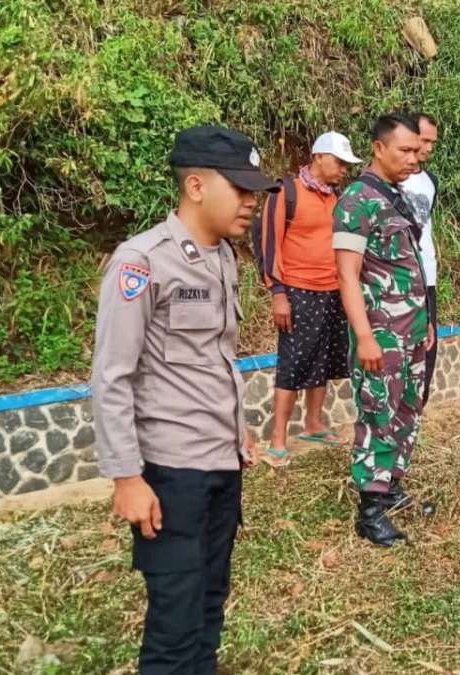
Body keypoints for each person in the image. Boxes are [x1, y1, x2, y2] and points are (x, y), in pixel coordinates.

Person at [91, 125, 279, 674]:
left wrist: (237, 427)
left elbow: (211, 360)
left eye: (255, 192)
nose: (252, 203)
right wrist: (127, 478)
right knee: (173, 625)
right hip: (172, 475)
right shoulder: (141, 262)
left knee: (208, 604)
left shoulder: (222, 257)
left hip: (221, 465)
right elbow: (113, 376)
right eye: (240, 190)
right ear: (195, 186)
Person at [333, 112, 436, 547]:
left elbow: (410, 266)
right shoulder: (356, 201)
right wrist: (366, 336)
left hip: (410, 331)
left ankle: (391, 486)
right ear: (379, 148)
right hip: (381, 334)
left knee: (407, 408)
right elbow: (346, 275)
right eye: (405, 150)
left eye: (418, 151)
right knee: (378, 415)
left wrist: (426, 320)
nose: (414, 159)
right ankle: (370, 512)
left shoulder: (395, 196)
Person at [258, 131, 362, 464]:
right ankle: (278, 438)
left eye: (347, 164)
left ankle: (314, 423)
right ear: (318, 157)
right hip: (298, 291)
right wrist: (277, 292)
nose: (344, 169)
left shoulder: (337, 197)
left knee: (324, 358)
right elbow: (268, 244)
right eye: (339, 162)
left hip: (333, 290)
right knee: (293, 363)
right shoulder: (285, 192)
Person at [399, 112, 440, 405]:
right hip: (397, 276)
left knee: (427, 347)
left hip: (427, 276)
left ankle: (417, 414)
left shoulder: (431, 181)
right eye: (423, 140)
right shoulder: (387, 180)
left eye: (432, 143)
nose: (427, 148)